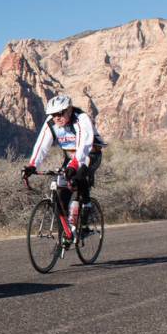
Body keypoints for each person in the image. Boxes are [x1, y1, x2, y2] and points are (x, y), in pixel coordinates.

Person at [22, 94, 104, 234]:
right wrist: (32, 165)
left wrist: (74, 166)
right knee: (61, 192)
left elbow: (84, 145)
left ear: (69, 110)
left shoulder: (81, 118)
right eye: (53, 114)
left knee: (77, 178)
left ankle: (86, 213)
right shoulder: (51, 122)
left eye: (60, 113)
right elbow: (42, 145)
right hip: (70, 156)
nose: (57, 117)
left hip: (90, 153)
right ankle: (65, 235)